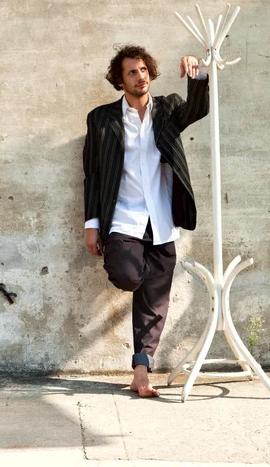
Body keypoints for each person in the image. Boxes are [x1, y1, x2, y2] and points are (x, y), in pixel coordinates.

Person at [83, 45, 209, 397]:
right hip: (122, 217)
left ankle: (141, 371)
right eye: (132, 73)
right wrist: (91, 223)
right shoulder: (102, 119)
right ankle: (142, 288)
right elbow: (92, 174)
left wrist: (197, 73)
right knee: (128, 275)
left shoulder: (167, 110)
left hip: (162, 217)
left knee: (156, 301)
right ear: (120, 81)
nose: (141, 77)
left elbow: (198, 108)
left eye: (144, 70)